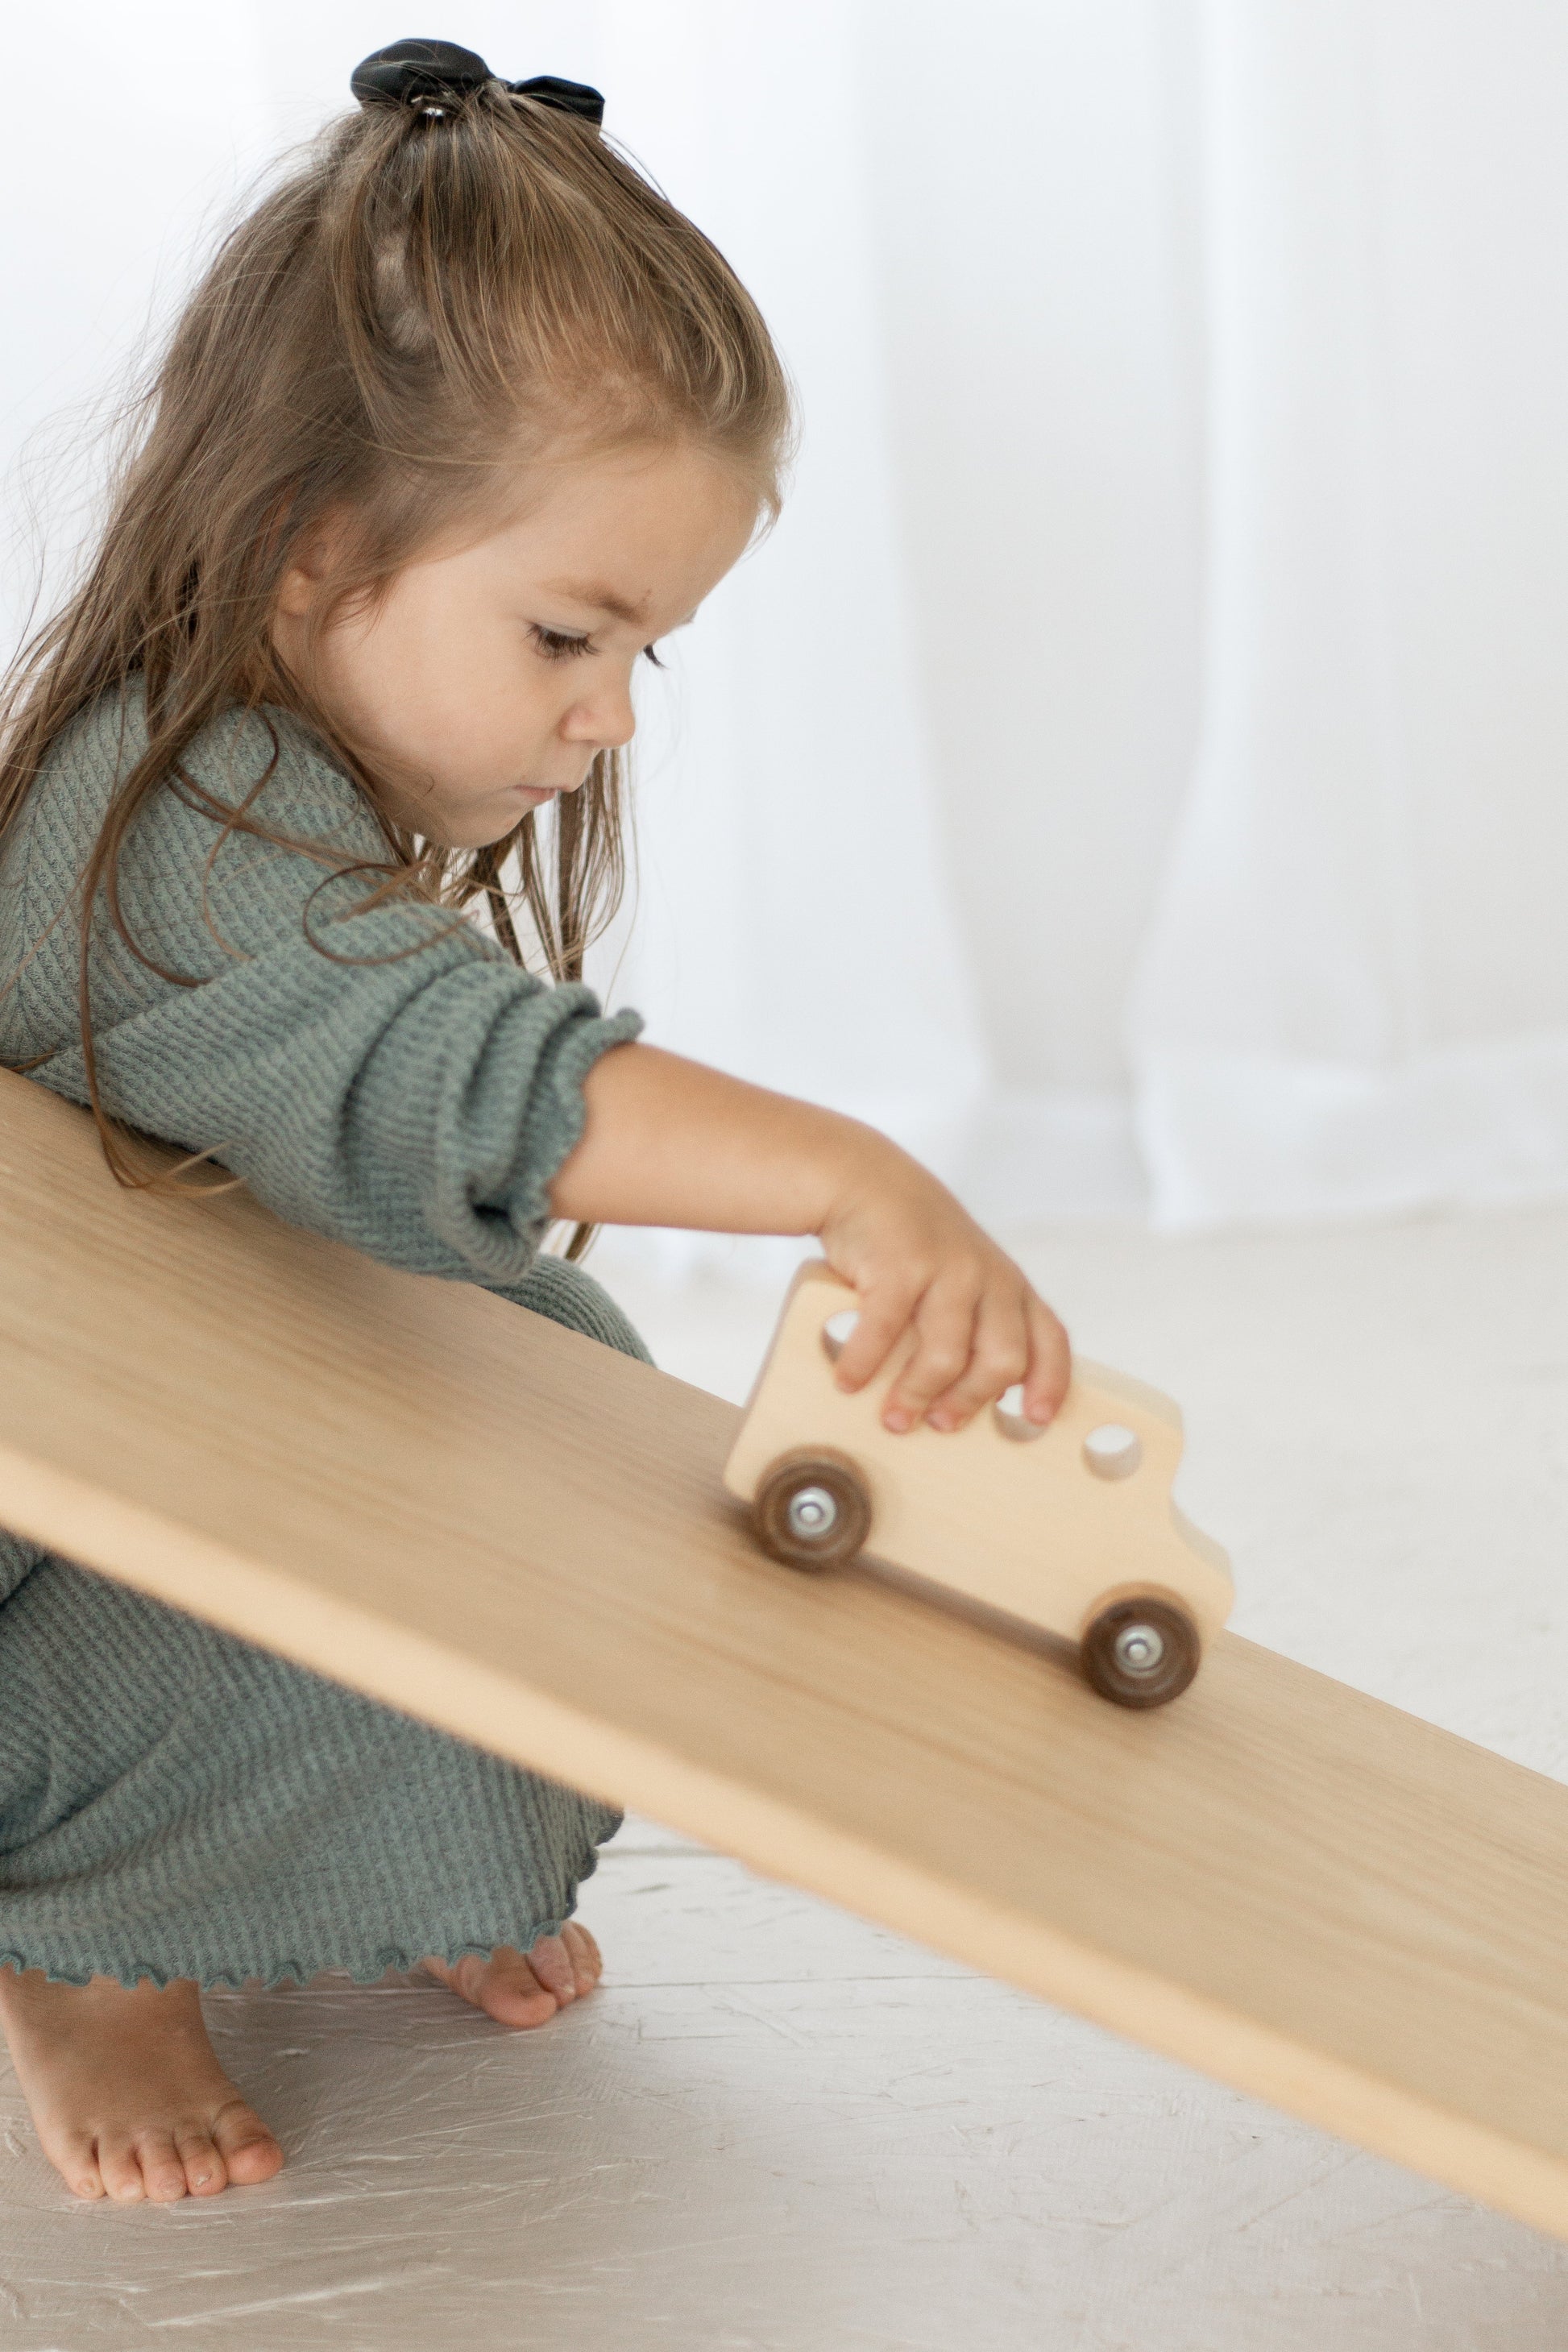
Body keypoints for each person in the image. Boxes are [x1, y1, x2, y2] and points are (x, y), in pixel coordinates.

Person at [0, 39, 1071, 2206]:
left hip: (185, 1434)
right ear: (318, 555)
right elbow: (462, 1079)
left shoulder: (261, 753)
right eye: (569, 633)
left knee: (570, 1441)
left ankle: (360, 1855)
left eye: (644, 657)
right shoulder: (173, 831)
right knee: (462, 1517)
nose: (599, 719)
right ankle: (86, 1950)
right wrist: (853, 1179)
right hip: (52, 1577)